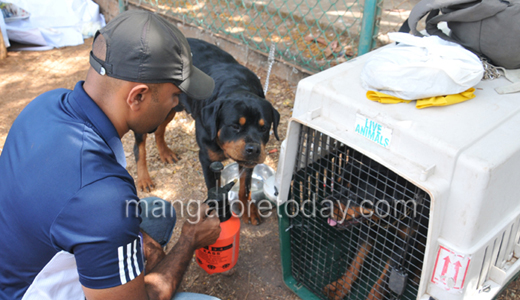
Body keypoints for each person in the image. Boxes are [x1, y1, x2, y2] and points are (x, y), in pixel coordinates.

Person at [0, 10, 222, 300]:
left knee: (157, 211)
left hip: (19, 266)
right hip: (32, 293)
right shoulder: (102, 195)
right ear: (137, 97)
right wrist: (189, 240)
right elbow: (98, 212)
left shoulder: (45, 104)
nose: (178, 105)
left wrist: (133, 237)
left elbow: (82, 211)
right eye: (175, 95)